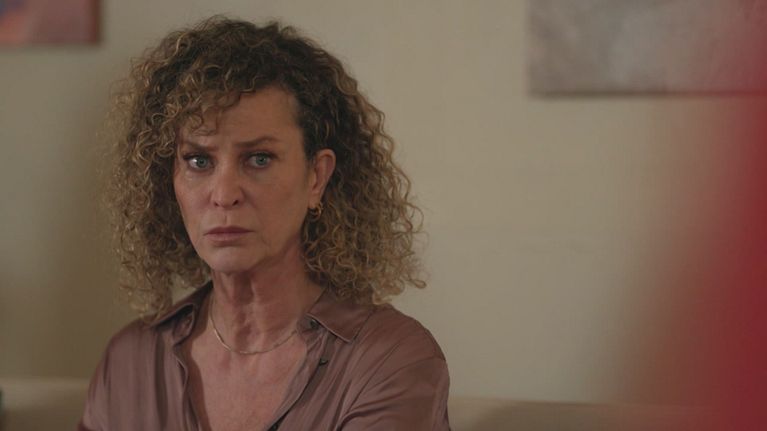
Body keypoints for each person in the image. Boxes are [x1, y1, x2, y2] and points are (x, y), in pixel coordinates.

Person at [78, 16, 450, 431]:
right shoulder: (131, 363)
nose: (224, 194)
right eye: (199, 161)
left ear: (316, 178)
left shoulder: (389, 360)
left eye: (259, 159)